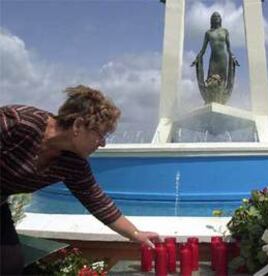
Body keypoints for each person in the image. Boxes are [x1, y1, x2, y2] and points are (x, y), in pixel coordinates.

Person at [0, 85, 160, 275]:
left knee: (10, 264)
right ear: (77, 125)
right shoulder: (18, 123)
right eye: (100, 134)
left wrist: (136, 235)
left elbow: (97, 201)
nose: (103, 143)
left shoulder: (72, 162)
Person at [191, 11, 239, 86]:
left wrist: (233, 57)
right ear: (211, 20)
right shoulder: (208, 33)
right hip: (213, 60)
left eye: (218, 16)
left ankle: (221, 97)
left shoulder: (225, 31)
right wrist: (197, 58)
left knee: (222, 83)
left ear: (220, 19)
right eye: (214, 17)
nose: (216, 18)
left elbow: (229, 49)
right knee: (211, 82)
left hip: (223, 60)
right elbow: (203, 50)